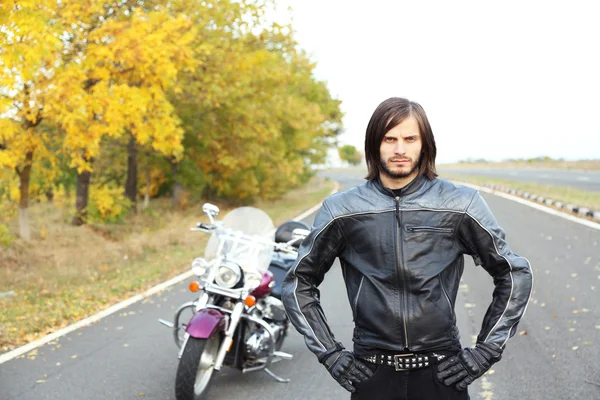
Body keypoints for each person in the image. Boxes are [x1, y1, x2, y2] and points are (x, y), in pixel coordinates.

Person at [281, 97, 533, 399]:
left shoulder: (459, 203)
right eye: (390, 139)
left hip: (443, 373)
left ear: (424, 144)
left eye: (410, 138)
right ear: (375, 144)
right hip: (371, 373)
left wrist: (485, 352)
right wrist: (331, 354)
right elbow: (299, 282)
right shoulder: (341, 209)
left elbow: (514, 273)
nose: (400, 149)